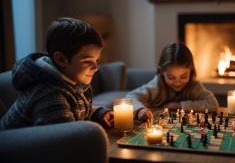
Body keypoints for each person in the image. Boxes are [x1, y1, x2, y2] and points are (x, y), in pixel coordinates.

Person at [0, 17, 148, 130]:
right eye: (87, 61)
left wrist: (99, 114)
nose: (95, 68)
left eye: (97, 60)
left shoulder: (71, 80)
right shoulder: (49, 95)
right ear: (61, 59)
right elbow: (65, 138)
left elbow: (76, 111)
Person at [126, 42, 219, 117]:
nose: (177, 83)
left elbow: (213, 104)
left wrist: (179, 105)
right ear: (162, 72)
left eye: (183, 76)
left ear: (191, 70)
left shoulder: (193, 85)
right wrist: (140, 110)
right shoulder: (157, 85)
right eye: (171, 77)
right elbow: (130, 97)